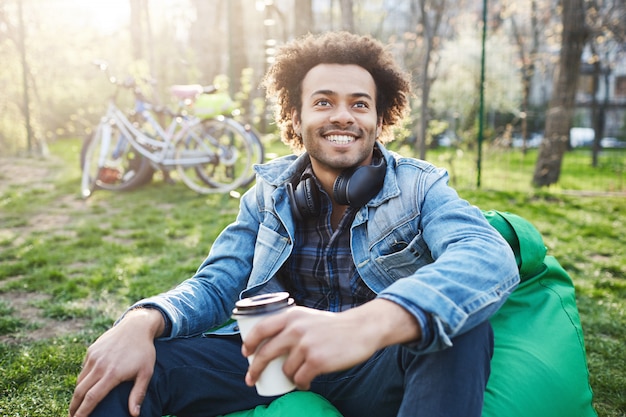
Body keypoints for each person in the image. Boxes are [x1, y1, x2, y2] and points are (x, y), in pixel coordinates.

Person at [69, 31, 519, 417]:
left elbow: (486, 255)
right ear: (295, 117)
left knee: (459, 329)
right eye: (323, 102)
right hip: (275, 363)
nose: (342, 115)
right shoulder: (267, 192)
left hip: (375, 365)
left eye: (359, 104)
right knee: (129, 371)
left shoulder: (421, 187)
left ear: (380, 120)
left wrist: (365, 325)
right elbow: (217, 283)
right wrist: (143, 320)